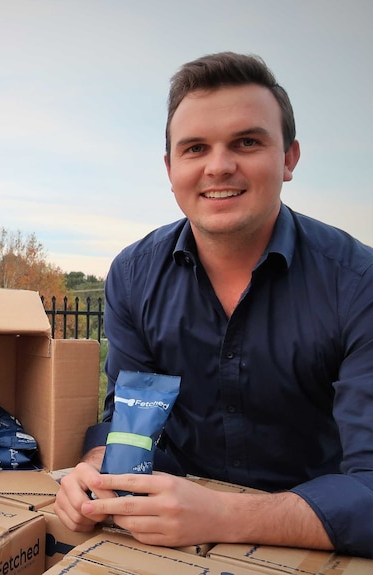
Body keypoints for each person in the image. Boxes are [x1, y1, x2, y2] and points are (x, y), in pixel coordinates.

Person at [54, 52, 373, 558]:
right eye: (196, 148)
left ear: (289, 158)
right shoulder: (134, 276)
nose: (219, 166)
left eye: (247, 142)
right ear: (171, 167)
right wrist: (96, 465)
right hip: (166, 541)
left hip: (319, 545)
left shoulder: (359, 284)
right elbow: (128, 416)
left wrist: (221, 514)